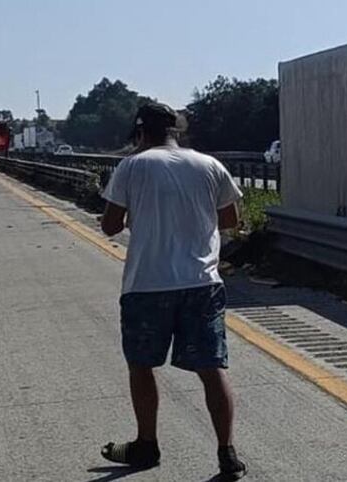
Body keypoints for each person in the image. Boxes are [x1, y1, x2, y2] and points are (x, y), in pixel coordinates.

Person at [98, 102, 247, 480]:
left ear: (140, 133)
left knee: (142, 366)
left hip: (147, 284)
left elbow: (110, 227)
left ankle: (146, 445)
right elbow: (231, 218)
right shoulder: (209, 165)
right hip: (201, 283)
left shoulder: (132, 166)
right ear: (175, 131)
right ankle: (226, 452)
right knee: (211, 370)